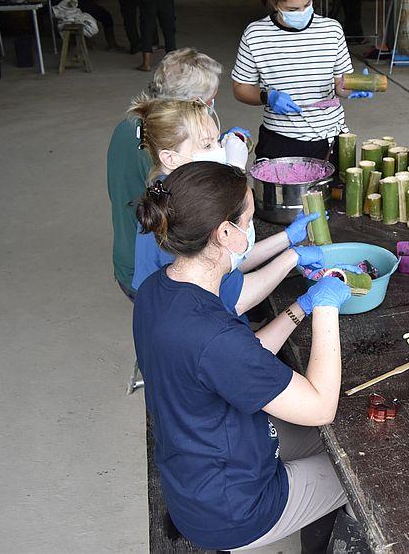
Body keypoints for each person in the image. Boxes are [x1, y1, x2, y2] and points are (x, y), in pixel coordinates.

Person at [133, 161, 349, 551]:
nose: (251, 230)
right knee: (359, 475)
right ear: (225, 233)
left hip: (196, 467)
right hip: (234, 509)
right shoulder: (214, 336)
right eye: (248, 220)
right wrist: (328, 307)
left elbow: (235, 363)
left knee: (331, 443)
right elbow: (320, 407)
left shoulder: (158, 290)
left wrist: (300, 306)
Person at [129, 97, 321, 317]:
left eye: (218, 141)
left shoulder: (175, 191)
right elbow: (235, 296)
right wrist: (293, 260)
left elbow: (230, 262)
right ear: (170, 158)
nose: (219, 150)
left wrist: (287, 238)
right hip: (186, 320)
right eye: (207, 145)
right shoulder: (184, 209)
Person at [107, 49, 245, 300]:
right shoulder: (158, 154)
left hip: (129, 254)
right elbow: (207, 204)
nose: (213, 104)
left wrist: (207, 142)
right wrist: (233, 169)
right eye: (211, 100)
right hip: (159, 271)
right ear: (193, 103)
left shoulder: (131, 127)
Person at [232, 0, 370, 162]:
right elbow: (240, 88)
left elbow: (339, 85)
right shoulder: (256, 34)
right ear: (273, 1)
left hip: (329, 139)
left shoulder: (331, 30)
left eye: (307, 4)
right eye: (293, 9)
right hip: (280, 140)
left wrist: (352, 88)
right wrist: (266, 96)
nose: (303, 12)